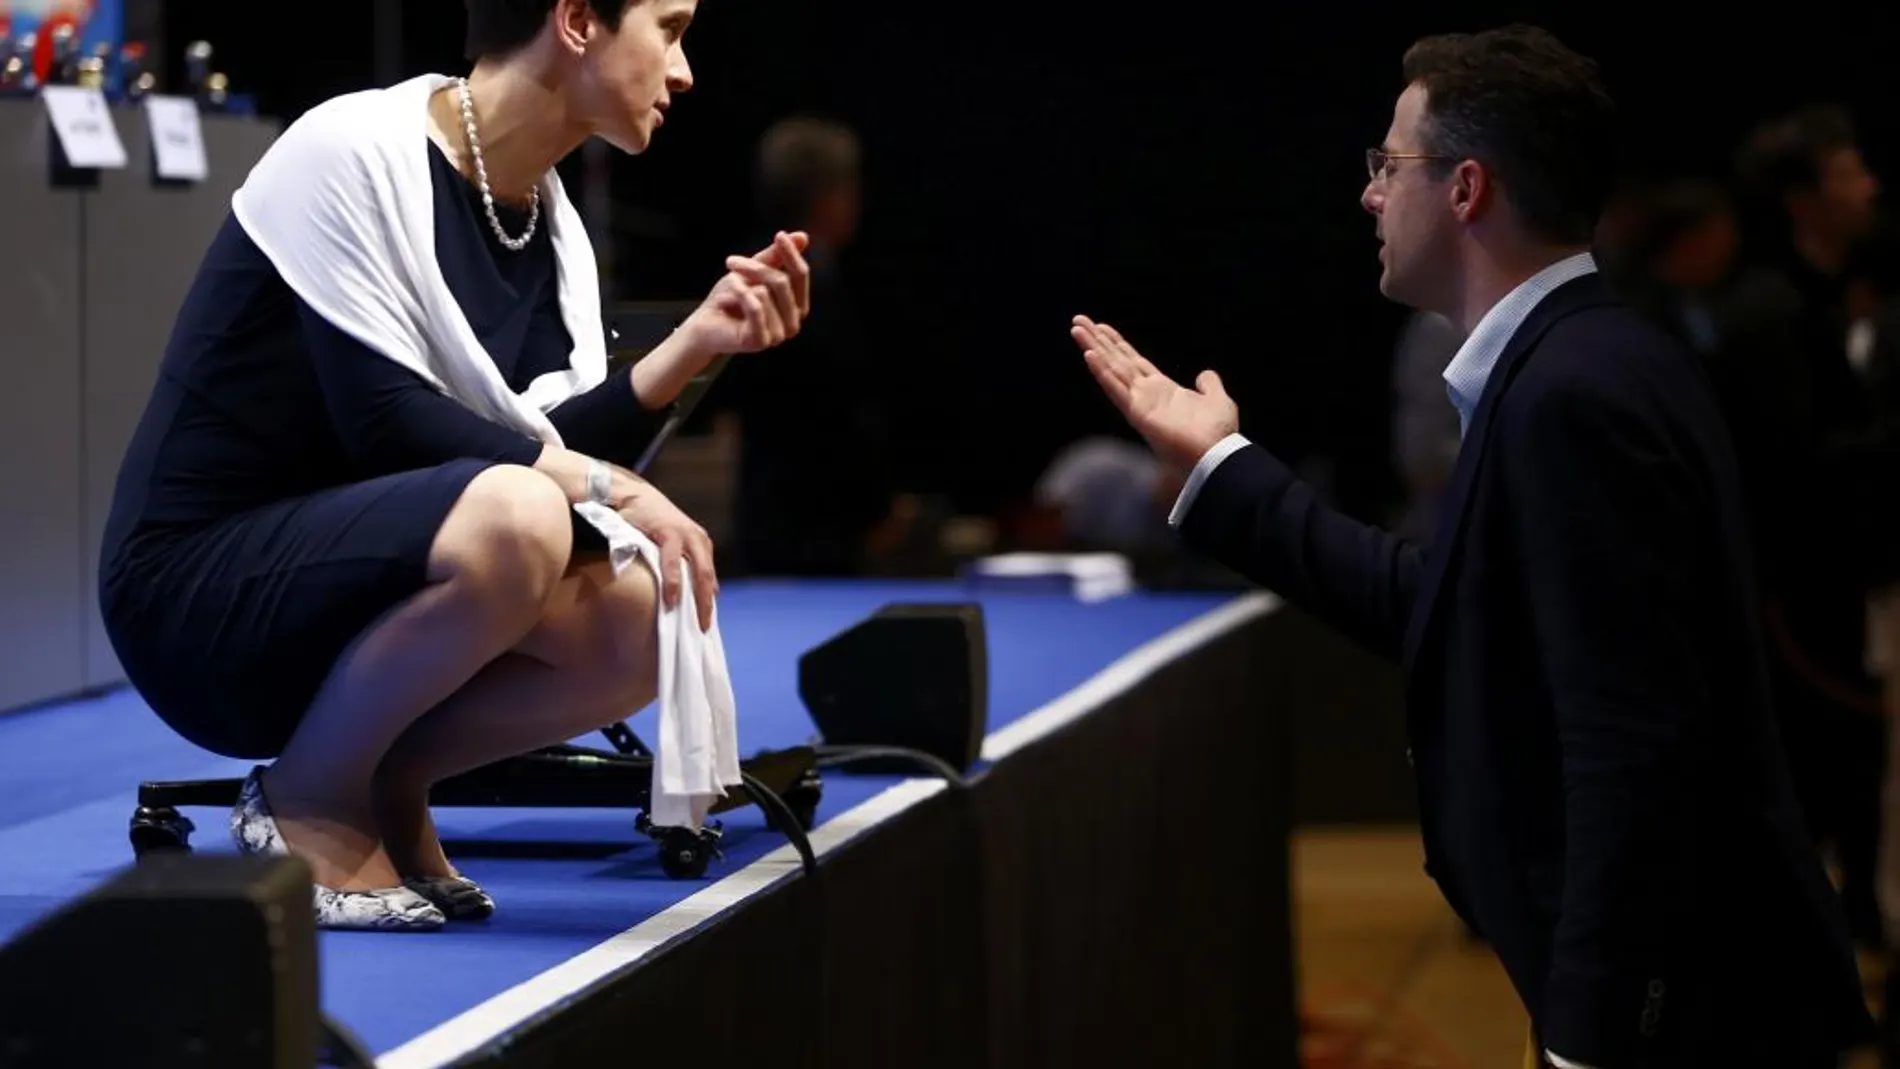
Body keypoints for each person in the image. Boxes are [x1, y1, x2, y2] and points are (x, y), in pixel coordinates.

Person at [1070, 25, 1873, 1067]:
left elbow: (1629, 750)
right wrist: (1222, 464)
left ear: (1464, 189)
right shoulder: (1586, 354)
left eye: (1387, 164)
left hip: (1685, 1014)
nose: (1367, 194)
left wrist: (1589, 1036)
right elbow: (1445, 602)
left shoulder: (1569, 394)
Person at [98, 0, 812, 931]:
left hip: (351, 602)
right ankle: (306, 799)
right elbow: (389, 425)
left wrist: (693, 346)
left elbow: (551, 445)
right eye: (670, 30)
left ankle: (386, 776)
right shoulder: (349, 149)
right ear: (576, 21)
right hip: (198, 596)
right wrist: (619, 486)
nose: (684, 73)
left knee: (645, 611)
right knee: (518, 520)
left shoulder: (549, 231)